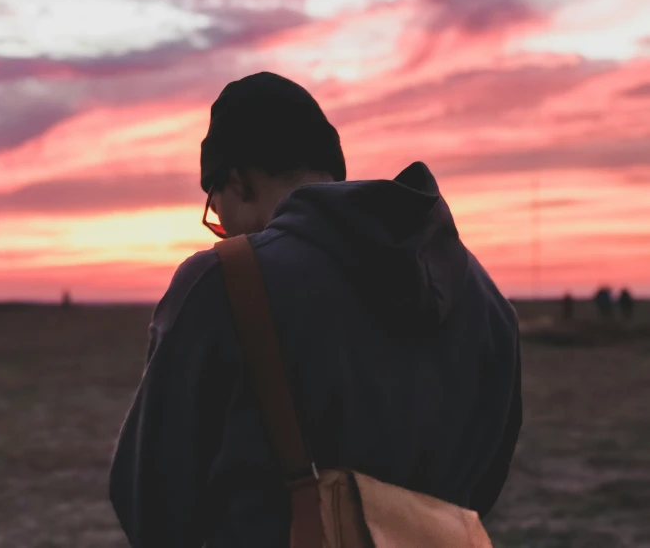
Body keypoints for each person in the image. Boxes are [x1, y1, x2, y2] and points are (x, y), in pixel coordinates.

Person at [109, 71, 522, 548]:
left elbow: (152, 502)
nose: (226, 234)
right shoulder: (486, 298)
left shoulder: (227, 281)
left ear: (238, 180)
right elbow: (482, 489)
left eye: (217, 217)